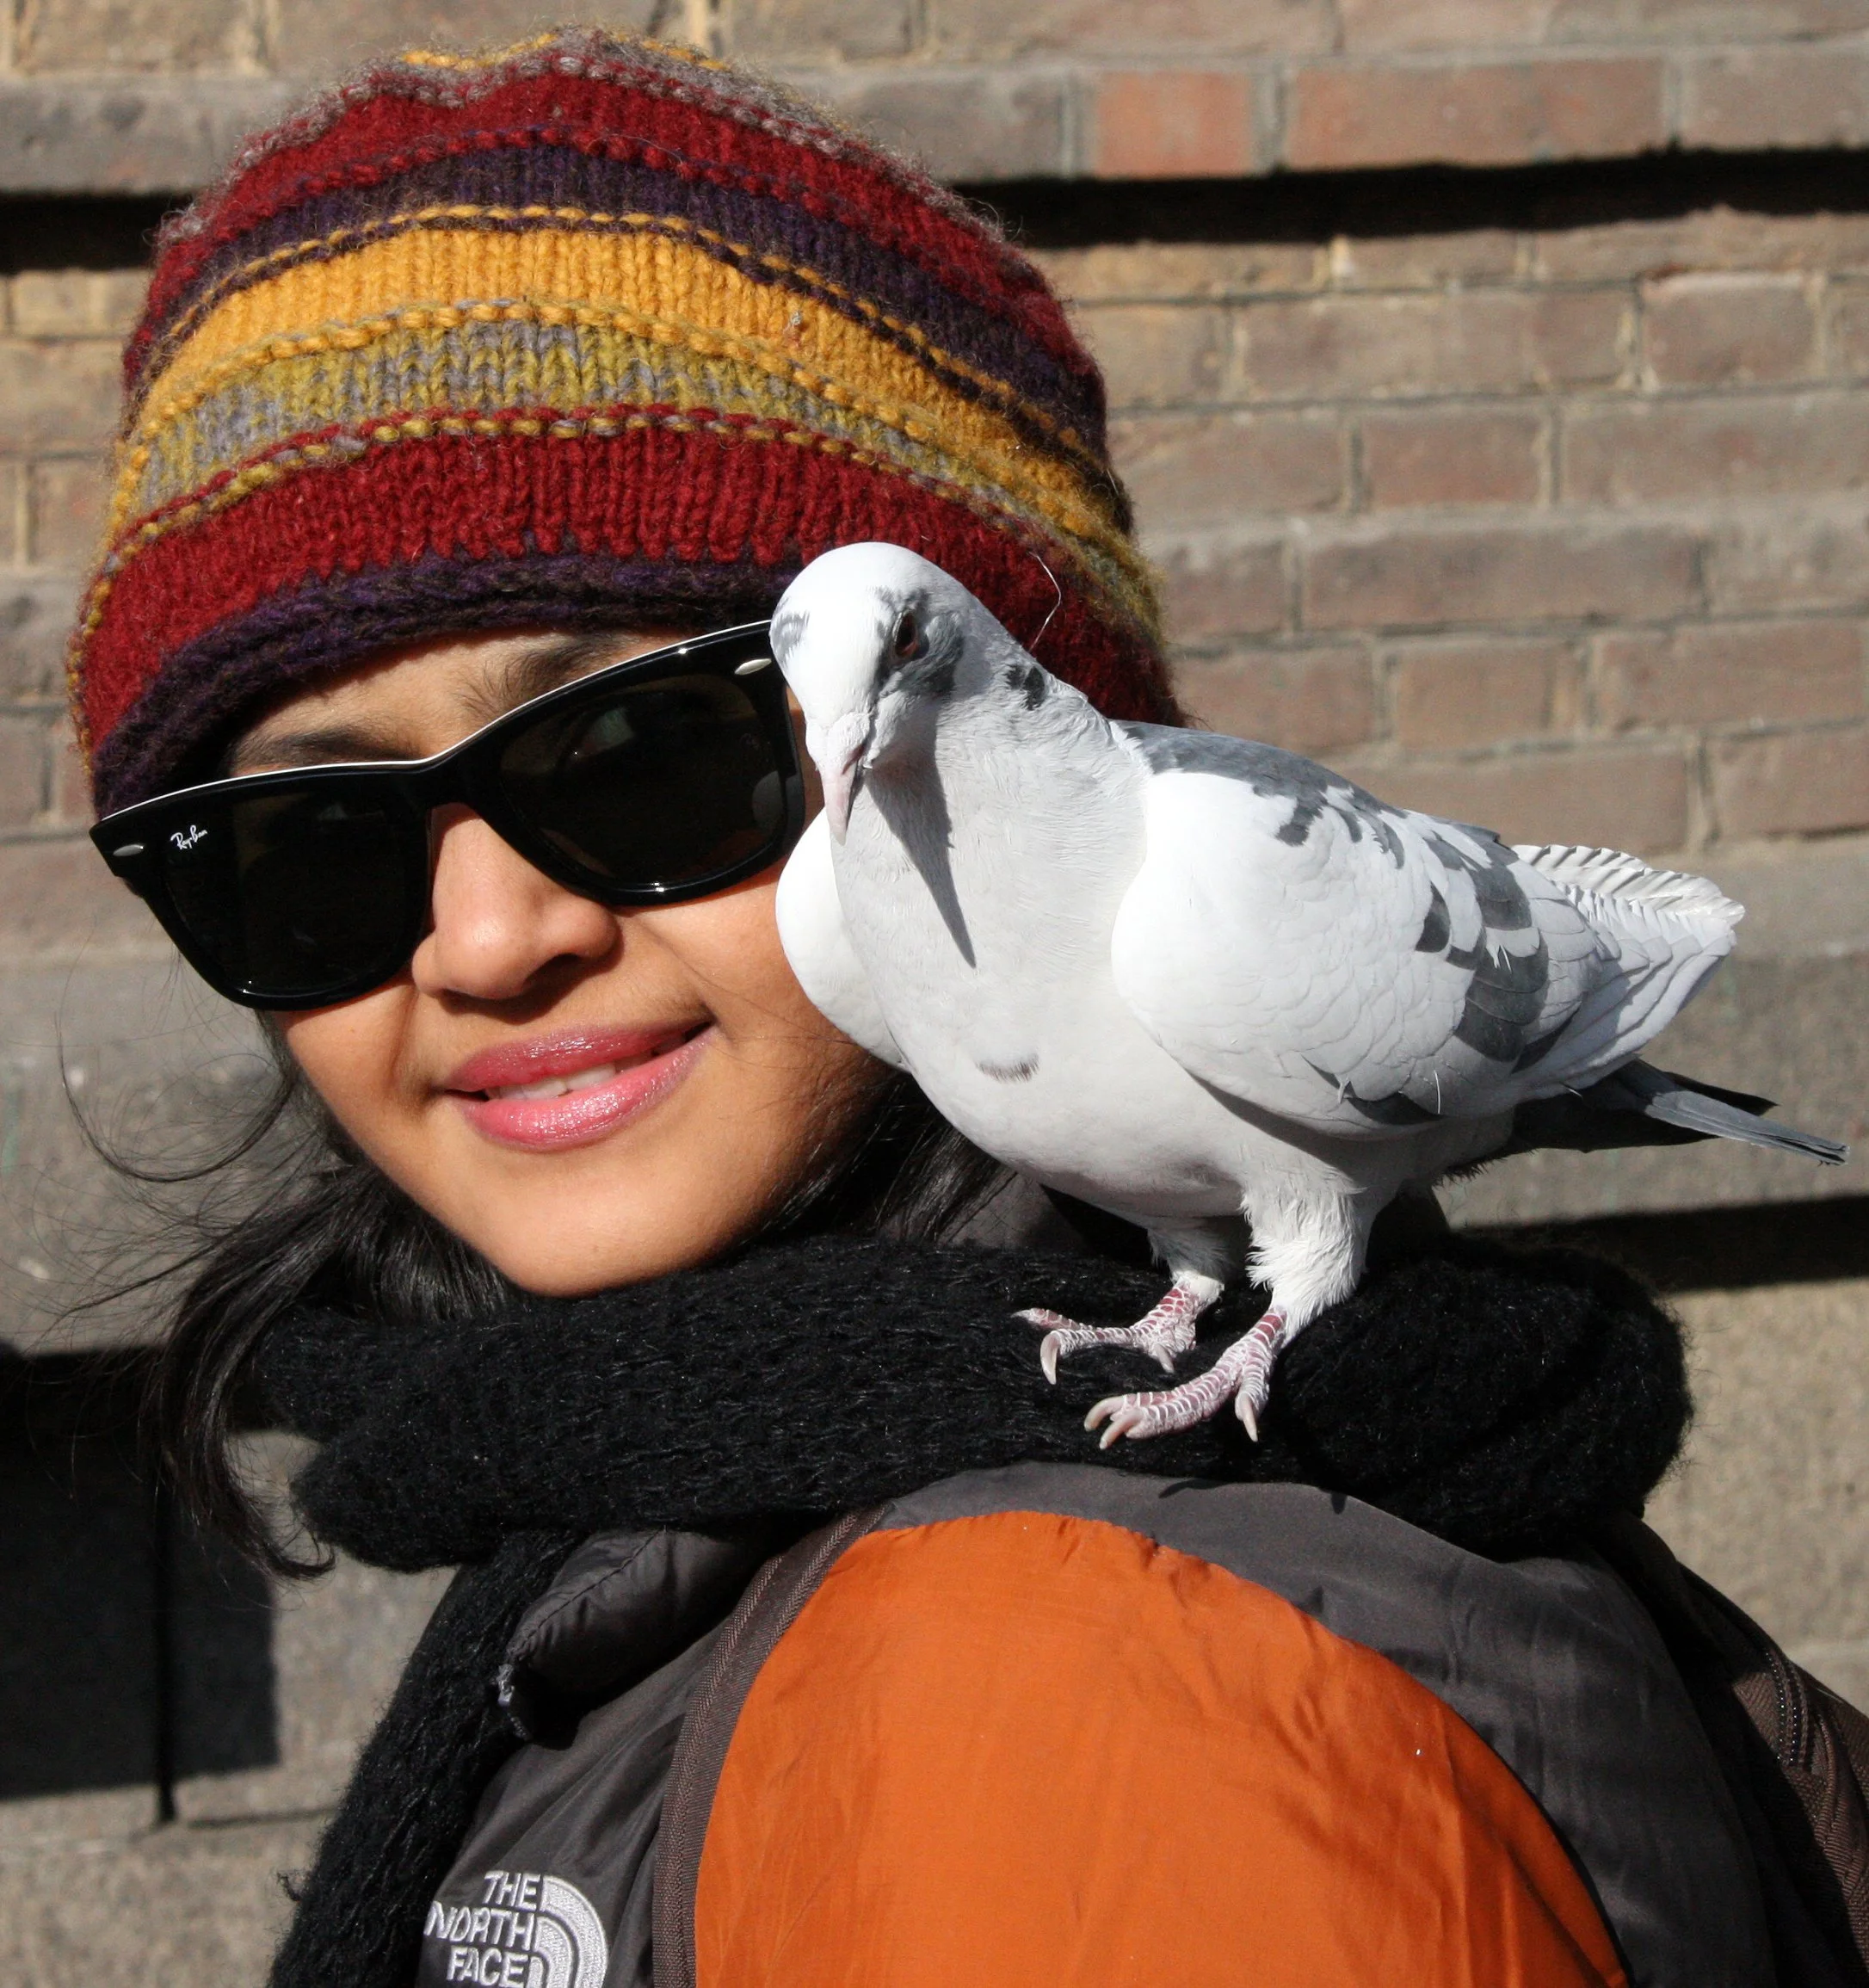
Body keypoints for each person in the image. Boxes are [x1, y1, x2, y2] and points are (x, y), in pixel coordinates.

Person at [68, 28, 1864, 1988]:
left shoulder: (1083, 1684)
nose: (489, 940)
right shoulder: (648, 1502)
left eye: (657, 757)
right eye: (306, 848)